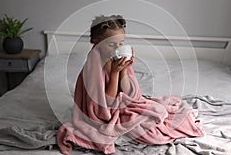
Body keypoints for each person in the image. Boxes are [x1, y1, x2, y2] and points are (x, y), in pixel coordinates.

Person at [57, 15, 204, 155]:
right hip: (105, 109)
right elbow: (103, 106)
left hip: (120, 103)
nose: (117, 47)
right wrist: (114, 73)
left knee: (155, 117)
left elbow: (131, 95)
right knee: (147, 131)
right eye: (111, 44)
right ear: (97, 43)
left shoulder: (117, 56)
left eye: (121, 43)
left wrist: (124, 70)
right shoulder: (94, 62)